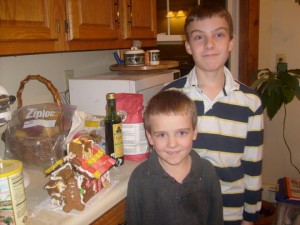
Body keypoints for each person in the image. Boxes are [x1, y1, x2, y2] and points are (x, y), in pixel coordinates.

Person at [162, 3, 264, 225]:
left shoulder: (250, 103)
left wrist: (250, 216)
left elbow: (253, 166)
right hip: (182, 213)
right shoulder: (170, 96)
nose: (209, 44)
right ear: (188, 46)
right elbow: (161, 160)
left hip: (231, 213)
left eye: (219, 35)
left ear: (231, 42)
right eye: (199, 37)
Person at [126, 90, 223, 225]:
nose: (172, 144)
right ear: (150, 138)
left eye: (181, 133)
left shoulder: (207, 172)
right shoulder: (139, 179)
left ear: (194, 132)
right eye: (161, 135)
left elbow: (216, 219)